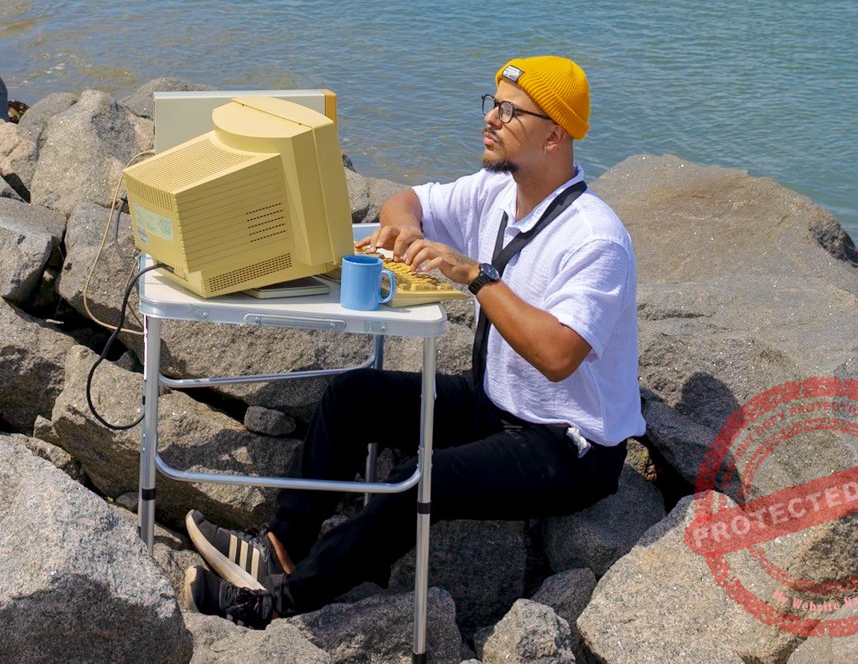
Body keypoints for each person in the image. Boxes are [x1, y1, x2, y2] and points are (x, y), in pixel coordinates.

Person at [183, 55, 644, 628]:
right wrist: (407, 231)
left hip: (568, 443)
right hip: (496, 402)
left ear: (555, 135)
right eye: (492, 104)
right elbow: (406, 201)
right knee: (355, 395)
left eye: (509, 110)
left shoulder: (596, 237)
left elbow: (557, 355)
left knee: (425, 481)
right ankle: (280, 547)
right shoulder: (495, 194)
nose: (491, 119)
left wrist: (473, 273)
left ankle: (270, 606)